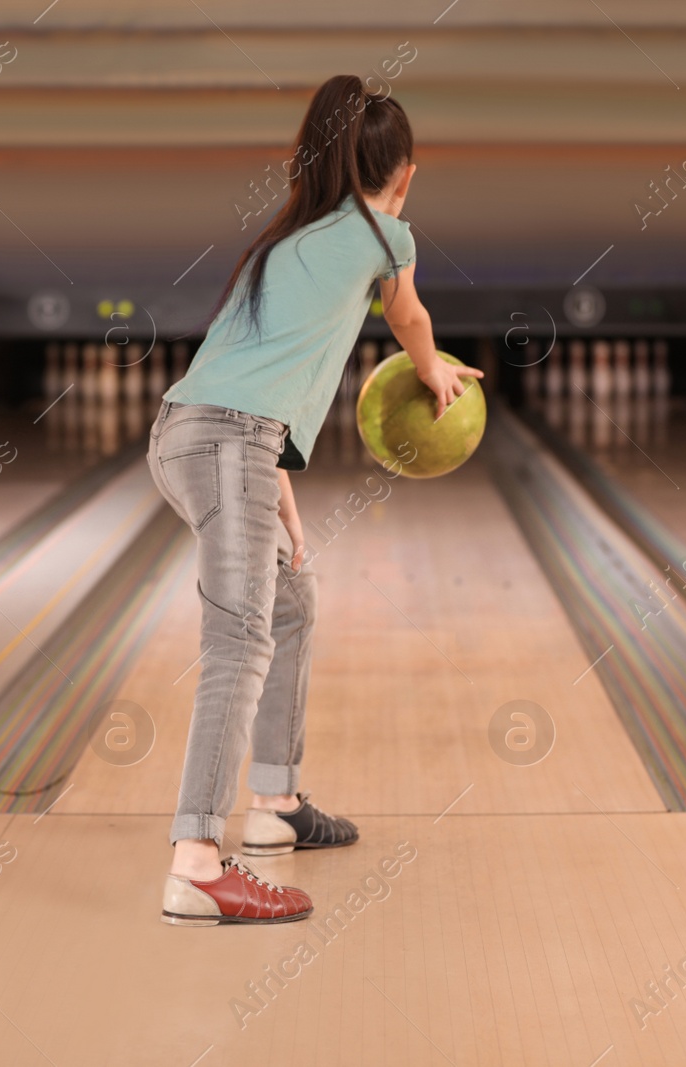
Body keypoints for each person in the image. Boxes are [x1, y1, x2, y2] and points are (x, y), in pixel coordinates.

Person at [150, 74, 482, 927]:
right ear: (404, 175)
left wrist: (283, 506)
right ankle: (195, 863)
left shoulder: (285, 241)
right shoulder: (385, 233)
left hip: (204, 436)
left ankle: (276, 803)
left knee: (293, 594)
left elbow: (267, 383)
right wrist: (434, 366)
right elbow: (409, 319)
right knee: (238, 639)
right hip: (228, 441)